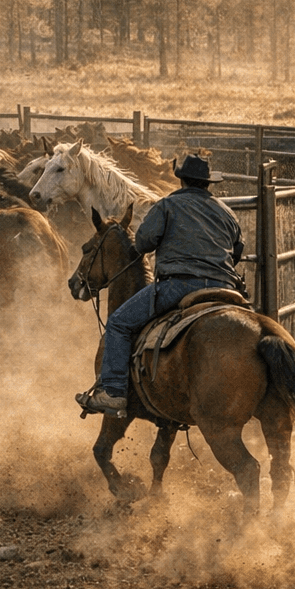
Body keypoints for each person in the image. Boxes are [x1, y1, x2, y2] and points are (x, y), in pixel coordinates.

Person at [76, 154, 245, 417]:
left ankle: (113, 392)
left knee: (119, 323)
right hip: (225, 287)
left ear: (181, 180)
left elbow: (143, 244)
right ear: (207, 183)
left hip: (178, 286)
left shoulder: (167, 206)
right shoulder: (227, 212)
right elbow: (237, 252)